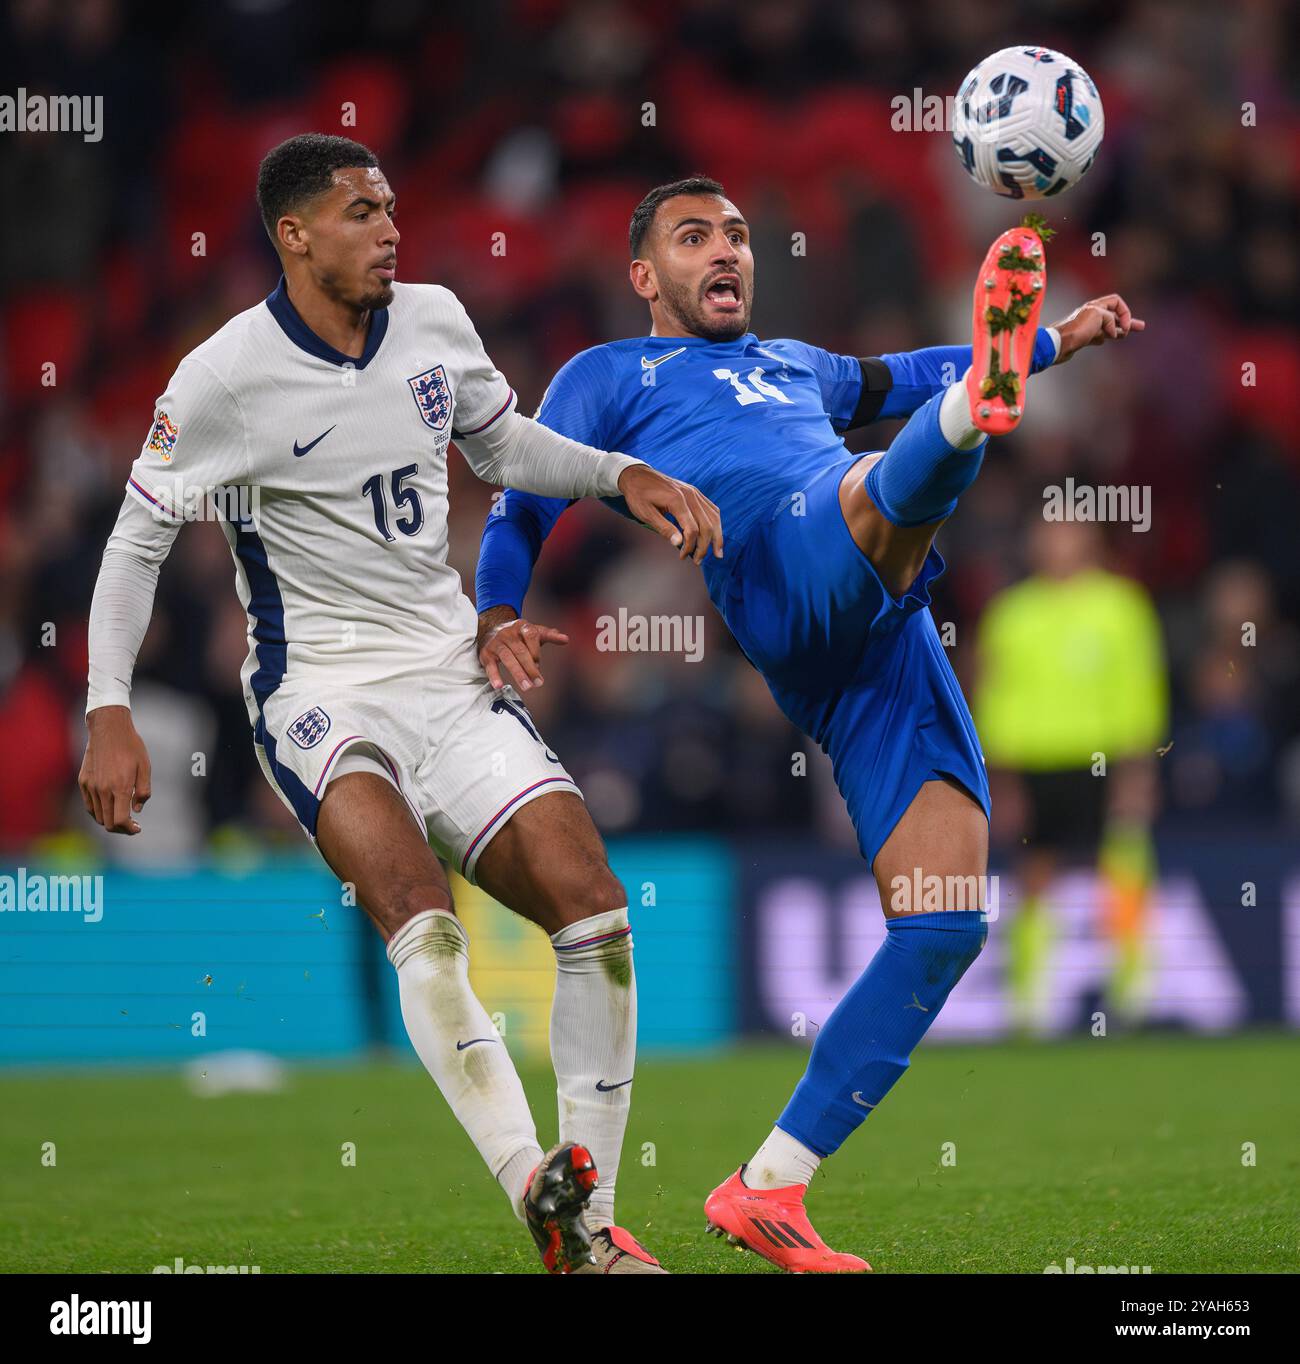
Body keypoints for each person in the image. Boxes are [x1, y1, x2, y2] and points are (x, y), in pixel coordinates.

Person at [77, 136, 724, 1276]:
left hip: (444, 670)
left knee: (596, 911)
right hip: (318, 691)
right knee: (421, 916)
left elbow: (502, 444)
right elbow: (136, 541)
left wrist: (615, 474)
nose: (388, 228)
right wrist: (108, 705)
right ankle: (533, 1177)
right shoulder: (223, 377)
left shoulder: (432, 320)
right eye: (359, 212)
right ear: (294, 235)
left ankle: (591, 1234)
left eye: (389, 206)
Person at [474, 175, 1143, 1271]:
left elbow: (904, 372)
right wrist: (498, 609)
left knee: (943, 920)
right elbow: (520, 498)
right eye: (693, 239)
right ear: (644, 276)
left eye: (736, 234)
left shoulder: (795, 364)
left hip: (883, 647)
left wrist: (1057, 339)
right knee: (881, 487)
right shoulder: (607, 376)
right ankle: (977, 418)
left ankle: (769, 1182)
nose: (725, 251)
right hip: (793, 577)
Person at [975, 519, 1167, 1033]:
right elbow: (996, 698)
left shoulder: (1122, 607)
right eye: (1048, 535)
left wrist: (1137, 769)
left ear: (1090, 542)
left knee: (1123, 866)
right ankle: (1030, 1000)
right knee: (1035, 873)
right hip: (1036, 763)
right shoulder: (1012, 613)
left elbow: (1139, 690)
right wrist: (1004, 779)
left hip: (1102, 758)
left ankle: (1134, 991)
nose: (1057, 544)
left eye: (1067, 533)